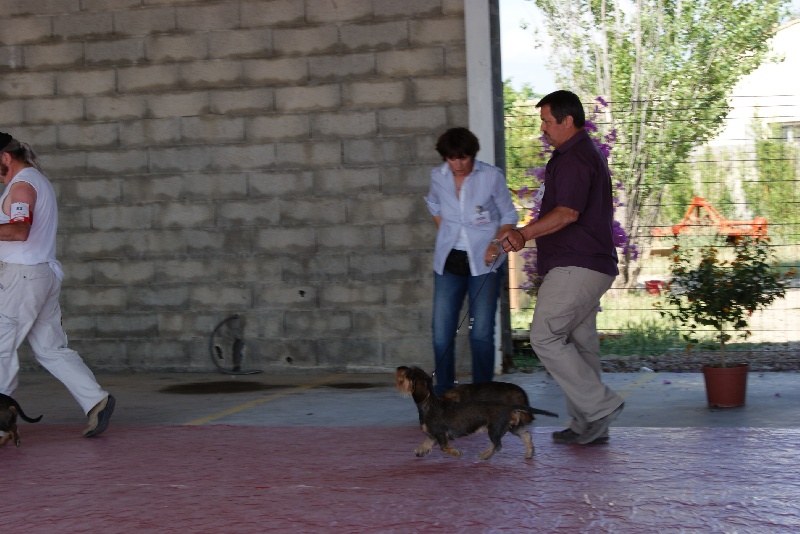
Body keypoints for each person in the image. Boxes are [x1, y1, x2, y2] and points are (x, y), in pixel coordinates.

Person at [497, 91, 625, 445]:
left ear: (567, 121)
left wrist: (522, 234)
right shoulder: (575, 155)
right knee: (580, 343)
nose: (543, 129)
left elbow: (567, 213)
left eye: (547, 121)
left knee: (545, 336)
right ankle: (589, 425)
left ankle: (601, 406)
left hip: (576, 265)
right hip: (589, 264)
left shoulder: (575, 159)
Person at [0, 132, 115, 438]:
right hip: (40, 275)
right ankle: (97, 401)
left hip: (22, 279)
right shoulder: (35, 181)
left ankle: (1, 425)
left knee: (1, 347)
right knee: (50, 349)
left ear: (5, 158)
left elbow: (19, 231)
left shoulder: (23, 186)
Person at [425, 127, 518, 396]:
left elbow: (509, 216)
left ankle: (482, 395)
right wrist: (446, 231)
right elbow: (434, 205)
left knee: (481, 332)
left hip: (485, 263)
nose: (458, 164)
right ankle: (444, 393)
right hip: (448, 262)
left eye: (463, 158)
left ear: (473, 155)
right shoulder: (438, 176)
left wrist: (495, 243)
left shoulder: (491, 176)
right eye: (451, 158)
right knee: (442, 331)